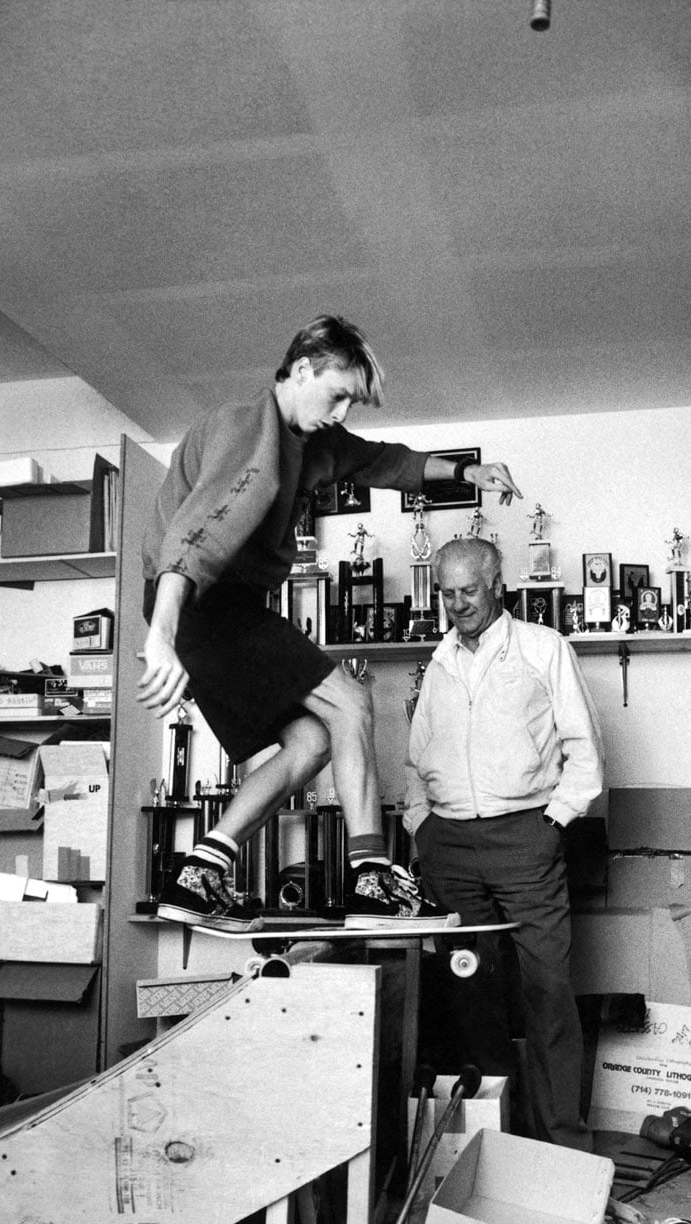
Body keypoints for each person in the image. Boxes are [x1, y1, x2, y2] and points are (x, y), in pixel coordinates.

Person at [138, 314, 523, 931]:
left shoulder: (313, 443)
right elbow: (192, 538)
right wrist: (161, 633)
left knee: (312, 741)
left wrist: (466, 473)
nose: (342, 411)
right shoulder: (250, 437)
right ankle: (372, 883)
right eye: (336, 394)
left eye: (351, 400)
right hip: (205, 606)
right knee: (350, 702)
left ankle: (199, 872)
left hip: (215, 613)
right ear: (299, 370)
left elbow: (384, 462)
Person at [404, 537, 604, 1151]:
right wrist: (421, 825)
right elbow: (416, 758)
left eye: (469, 590)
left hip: (526, 838)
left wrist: (553, 824)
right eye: (446, 592)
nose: (457, 603)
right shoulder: (438, 662)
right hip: (450, 848)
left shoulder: (545, 649)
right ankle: (491, 1145)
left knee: (546, 994)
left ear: (497, 585)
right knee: (469, 994)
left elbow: (584, 752)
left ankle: (563, 1147)